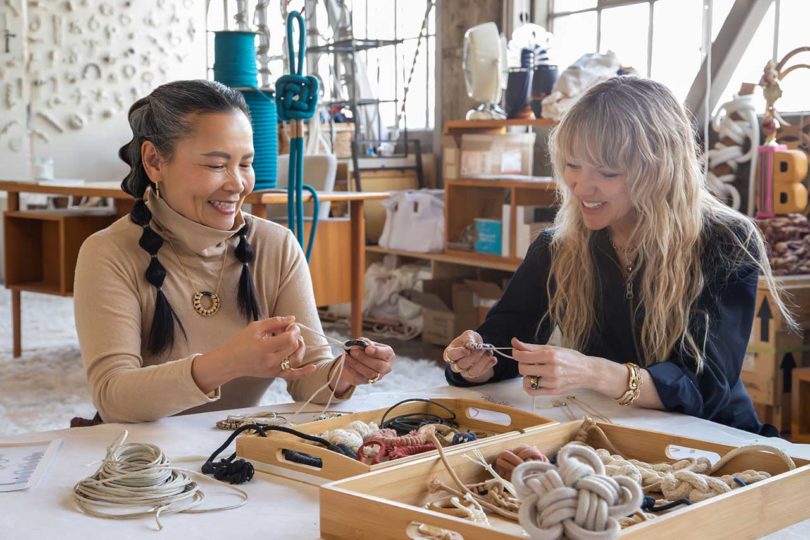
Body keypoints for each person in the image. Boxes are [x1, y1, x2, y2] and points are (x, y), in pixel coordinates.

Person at [443, 76, 793, 436]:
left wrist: (592, 372)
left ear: (659, 172)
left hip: (716, 439)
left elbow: (706, 386)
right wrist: (474, 364)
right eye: (573, 165)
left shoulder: (724, 241)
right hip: (613, 435)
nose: (581, 186)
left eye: (607, 172)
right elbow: (502, 341)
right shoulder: (557, 248)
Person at [74, 80, 395, 423]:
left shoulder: (276, 245)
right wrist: (227, 362)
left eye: (245, 163)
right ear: (154, 161)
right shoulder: (108, 252)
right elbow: (113, 397)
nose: (238, 183)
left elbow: (309, 377)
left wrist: (345, 372)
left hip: (230, 449)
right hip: (141, 462)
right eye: (215, 165)